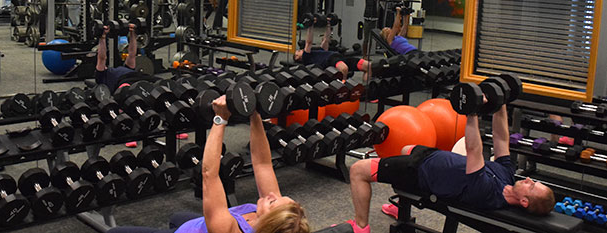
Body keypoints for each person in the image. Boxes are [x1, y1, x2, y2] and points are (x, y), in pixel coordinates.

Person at [346, 101, 555, 233]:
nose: (528, 179)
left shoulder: (488, 194)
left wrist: (472, 113)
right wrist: (500, 104)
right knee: (404, 148)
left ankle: (361, 226)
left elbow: (474, 150)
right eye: (532, 181)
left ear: (524, 201)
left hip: (419, 173)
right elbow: (501, 139)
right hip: (432, 156)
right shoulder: (507, 177)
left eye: (531, 186)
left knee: (358, 170)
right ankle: (401, 206)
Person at [109, 96, 310, 233]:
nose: (273, 194)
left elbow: (209, 174)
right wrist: (255, 115)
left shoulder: (227, 229)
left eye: (274, 202)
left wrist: (219, 120)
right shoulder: (274, 217)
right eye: (282, 196)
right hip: (203, 224)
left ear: (268, 223)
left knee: (116, 232)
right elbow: (263, 164)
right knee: (177, 216)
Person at [96, 23, 186, 144]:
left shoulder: (127, 66)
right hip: (125, 84)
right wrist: (102, 38)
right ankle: (130, 132)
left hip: (142, 79)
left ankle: (175, 124)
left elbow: (132, 52)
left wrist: (133, 33)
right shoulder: (103, 75)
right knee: (128, 95)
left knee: (165, 89)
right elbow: (102, 57)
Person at [293, 17, 371, 81]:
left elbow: (326, 39)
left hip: (340, 57)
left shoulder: (319, 50)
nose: (301, 50)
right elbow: (309, 42)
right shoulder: (306, 58)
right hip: (331, 60)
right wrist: (311, 25)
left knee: (367, 65)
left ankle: (365, 91)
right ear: (297, 57)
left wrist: (328, 24)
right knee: (344, 69)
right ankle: (343, 91)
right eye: (299, 51)